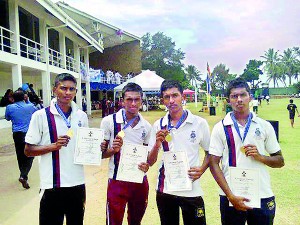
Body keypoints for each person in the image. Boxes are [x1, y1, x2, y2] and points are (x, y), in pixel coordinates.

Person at [209, 78, 284, 225]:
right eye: (234, 96)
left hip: (261, 194)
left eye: (243, 95)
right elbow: (213, 163)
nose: (239, 99)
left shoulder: (264, 126)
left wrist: (260, 157)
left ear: (250, 97)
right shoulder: (220, 127)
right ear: (228, 101)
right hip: (230, 196)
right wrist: (230, 195)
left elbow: (280, 161)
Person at [24, 73, 88, 225]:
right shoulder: (40, 116)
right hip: (52, 185)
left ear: (76, 92)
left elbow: (85, 146)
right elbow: (28, 150)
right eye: (63, 88)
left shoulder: (81, 116)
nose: (67, 92)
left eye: (72, 89)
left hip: (77, 184)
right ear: (54, 90)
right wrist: (54, 146)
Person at [148, 80, 210, 225]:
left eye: (175, 95)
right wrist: (157, 144)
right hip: (166, 190)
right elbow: (150, 161)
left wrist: (201, 169)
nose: (171, 100)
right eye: (166, 97)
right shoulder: (158, 125)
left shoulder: (199, 123)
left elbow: (210, 153)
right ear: (162, 100)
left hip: (191, 189)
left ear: (182, 97)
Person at [100, 82, 152, 225]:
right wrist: (113, 150)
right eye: (129, 99)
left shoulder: (146, 126)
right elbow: (100, 154)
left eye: (137, 99)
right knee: (114, 222)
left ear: (142, 101)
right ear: (122, 101)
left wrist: (147, 164)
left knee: (135, 221)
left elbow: (148, 157)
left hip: (139, 181)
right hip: (117, 180)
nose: (133, 103)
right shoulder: (109, 122)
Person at [5, 90, 37, 189]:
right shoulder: (30, 106)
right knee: (31, 154)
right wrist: (28, 101)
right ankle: (23, 175)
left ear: (13, 98)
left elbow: (7, 118)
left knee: (20, 155)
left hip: (17, 134)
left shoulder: (9, 107)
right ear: (24, 97)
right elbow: (36, 113)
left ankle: (23, 175)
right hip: (29, 133)